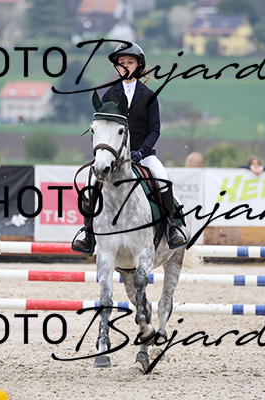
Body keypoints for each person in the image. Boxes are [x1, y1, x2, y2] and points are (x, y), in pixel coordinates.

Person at [72, 41, 187, 255]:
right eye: (121, 63)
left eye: (130, 62)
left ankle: (172, 228)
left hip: (143, 155)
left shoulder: (149, 95)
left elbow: (154, 130)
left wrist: (142, 151)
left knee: (163, 180)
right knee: (90, 183)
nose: (125, 66)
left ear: (139, 65)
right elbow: (102, 127)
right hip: (114, 157)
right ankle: (87, 233)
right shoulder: (109, 94)